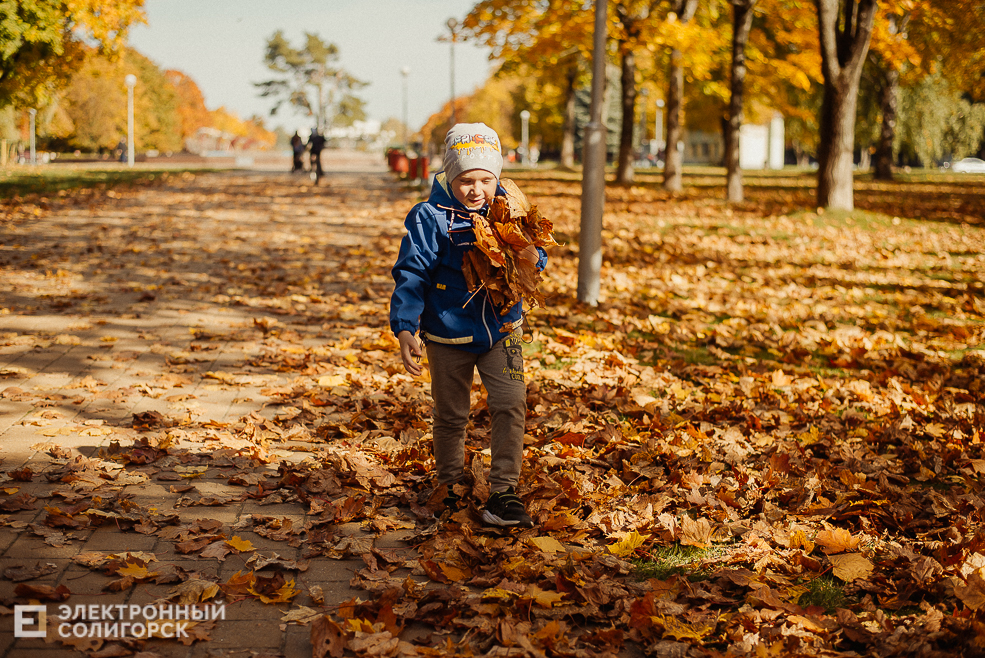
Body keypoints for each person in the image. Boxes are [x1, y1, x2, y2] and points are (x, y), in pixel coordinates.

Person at [390, 123, 548, 529]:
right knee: (451, 414)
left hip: (504, 329)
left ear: (497, 177)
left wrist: (530, 252)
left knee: (510, 403)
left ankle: (503, 492)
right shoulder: (430, 218)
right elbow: (411, 274)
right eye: (466, 180)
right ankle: (449, 485)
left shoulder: (507, 212)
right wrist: (406, 325)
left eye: (485, 179)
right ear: (449, 176)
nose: (476, 189)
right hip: (447, 332)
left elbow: (536, 260)